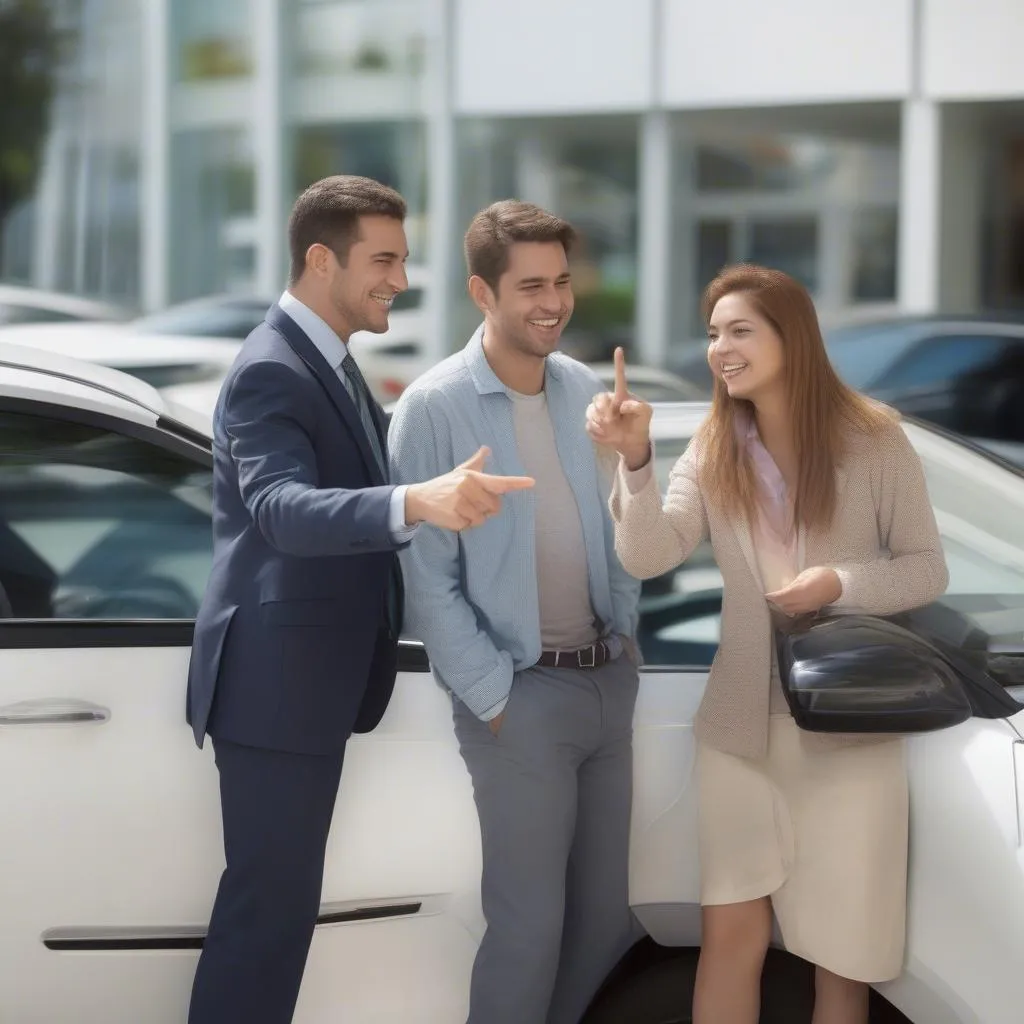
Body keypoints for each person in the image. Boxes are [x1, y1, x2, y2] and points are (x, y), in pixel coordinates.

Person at [185, 175, 534, 1024]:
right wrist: (414, 501)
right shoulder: (272, 370)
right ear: (319, 259)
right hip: (275, 692)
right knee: (265, 922)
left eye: (403, 261)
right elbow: (280, 510)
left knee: (278, 918)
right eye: (383, 260)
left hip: (305, 689)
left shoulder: (328, 363)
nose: (400, 281)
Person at [586, 264, 949, 1024]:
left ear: (793, 335)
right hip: (738, 736)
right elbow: (649, 556)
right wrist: (636, 459)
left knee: (843, 960)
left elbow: (926, 569)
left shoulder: (874, 437)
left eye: (740, 329)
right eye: (715, 332)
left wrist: (836, 583)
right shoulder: (714, 446)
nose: (721, 347)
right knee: (729, 936)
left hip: (849, 737)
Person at [389, 200, 642, 1024]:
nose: (553, 302)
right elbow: (427, 581)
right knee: (529, 928)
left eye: (563, 281)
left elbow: (619, 528)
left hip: (607, 682)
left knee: (604, 923)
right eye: (531, 284)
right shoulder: (433, 407)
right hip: (522, 697)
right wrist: (494, 698)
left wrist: (627, 632)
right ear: (482, 293)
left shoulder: (580, 389)